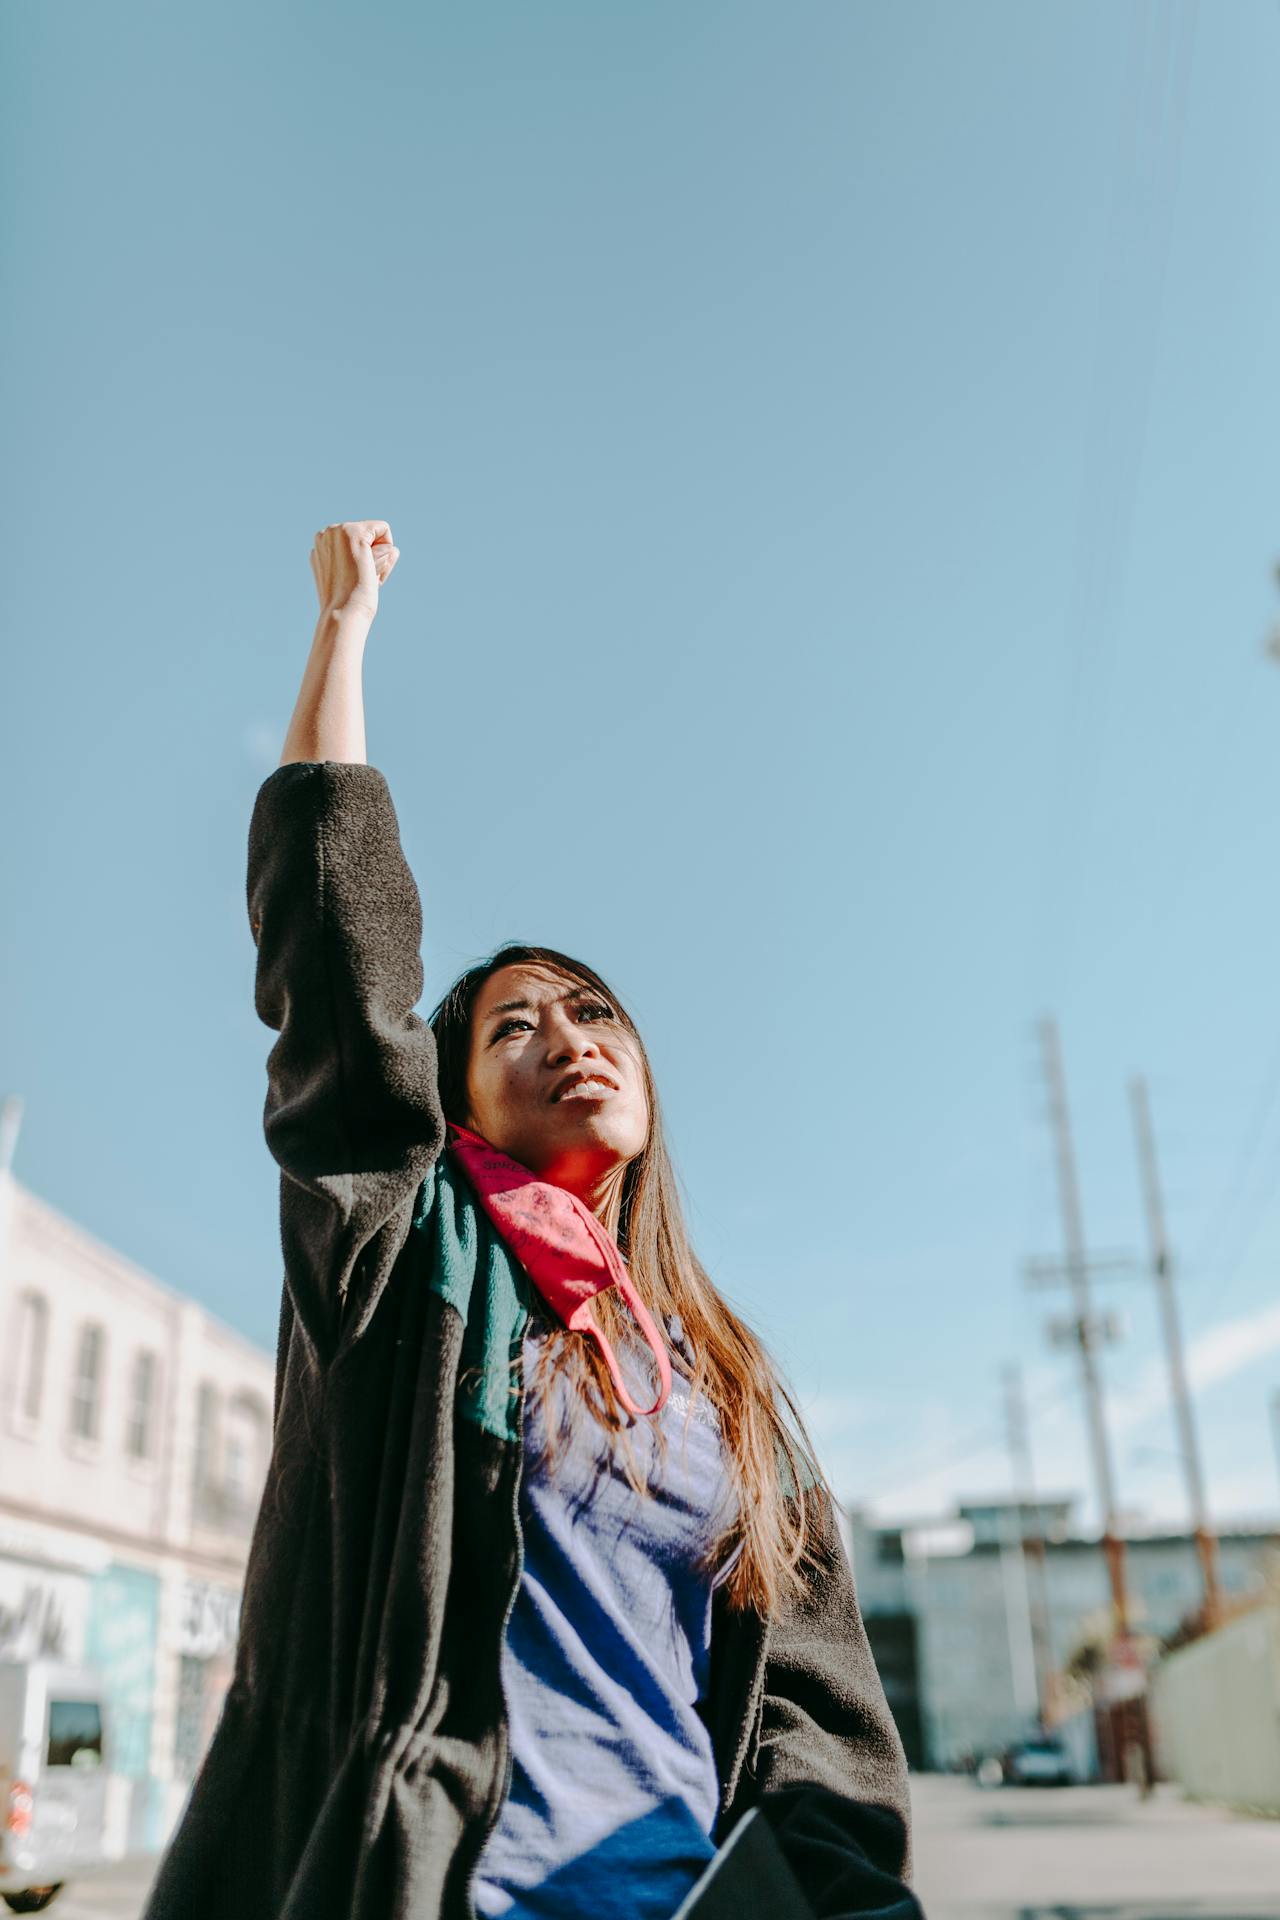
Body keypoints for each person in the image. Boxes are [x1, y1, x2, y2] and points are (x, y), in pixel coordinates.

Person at [140, 520, 924, 1920]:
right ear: (455, 1104)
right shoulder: (407, 1256)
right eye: (517, 1024)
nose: (572, 1036)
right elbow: (337, 963)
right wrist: (345, 628)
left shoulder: (718, 1376)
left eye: (597, 1010)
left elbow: (815, 1720)